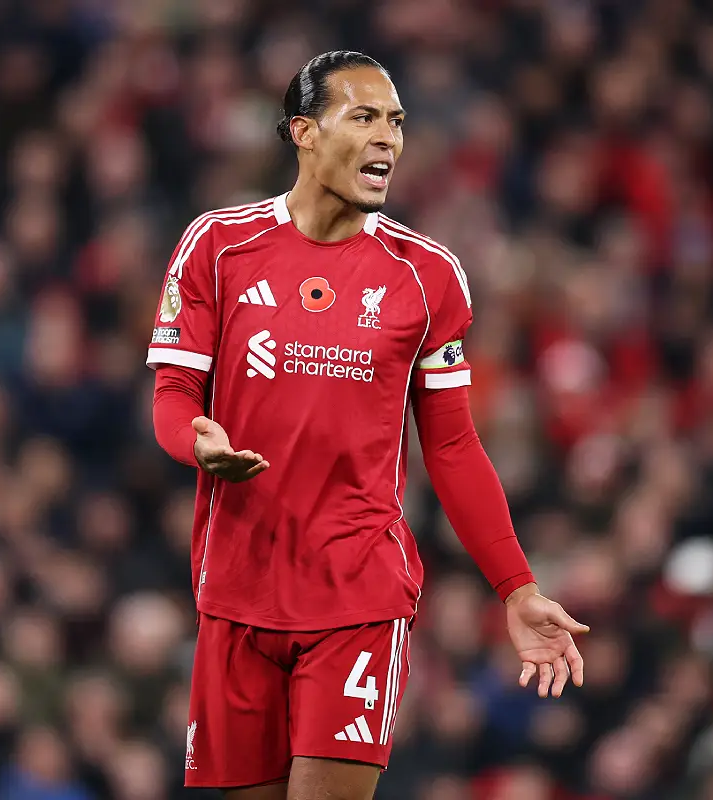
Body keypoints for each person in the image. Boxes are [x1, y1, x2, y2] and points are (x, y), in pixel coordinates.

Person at [148, 51, 590, 800]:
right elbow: (173, 393)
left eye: (396, 122)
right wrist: (196, 439)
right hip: (235, 591)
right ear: (304, 132)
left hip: (357, 594)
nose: (388, 138)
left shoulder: (428, 275)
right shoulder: (216, 246)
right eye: (364, 117)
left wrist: (515, 587)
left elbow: (451, 443)